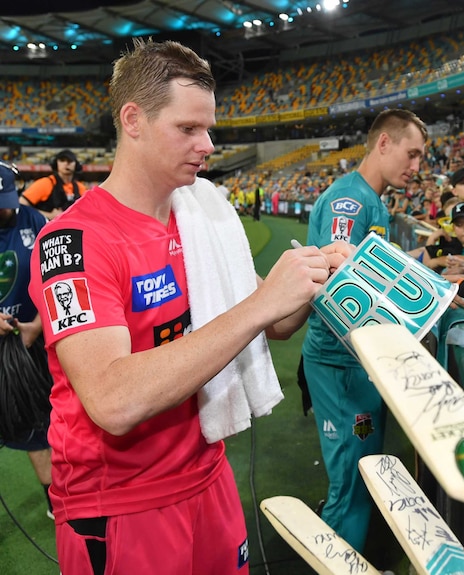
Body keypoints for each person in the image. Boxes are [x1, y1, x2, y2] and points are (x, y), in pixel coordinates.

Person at [28, 39, 347, 575]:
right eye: (188, 129)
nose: (207, 145)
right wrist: (261, 303)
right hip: (123, 504)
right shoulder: (74, 241)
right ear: (133, 119)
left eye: (209, 129)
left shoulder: (202, 215)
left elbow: (276, 323)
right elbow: (112, 399)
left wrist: (318, 281)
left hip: (207, 472)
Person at [301, 109, 427, 552]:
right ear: (384, 144)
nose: (416, 167)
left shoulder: (371, 200)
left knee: (365, 466)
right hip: (342, 364)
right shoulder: (349, 203)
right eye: (411, 154)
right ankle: (338, 556)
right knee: (353, 479)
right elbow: (337, 289)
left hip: (357, 363)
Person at [0, 161, 54, 520]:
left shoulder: (31, 220)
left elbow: (54, 276)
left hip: (28, 344)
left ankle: (56, 500)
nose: (5, 209)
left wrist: (38, 322)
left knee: (39, 426)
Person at [20, 149, 88, 220]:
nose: (66, 163)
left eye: (70, 161)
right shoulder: (45, 183)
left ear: (76, 164)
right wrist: (48, 215)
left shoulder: (81, 188)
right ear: (56, 163)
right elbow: (22, 205)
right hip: (45, 226)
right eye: (62, 160)